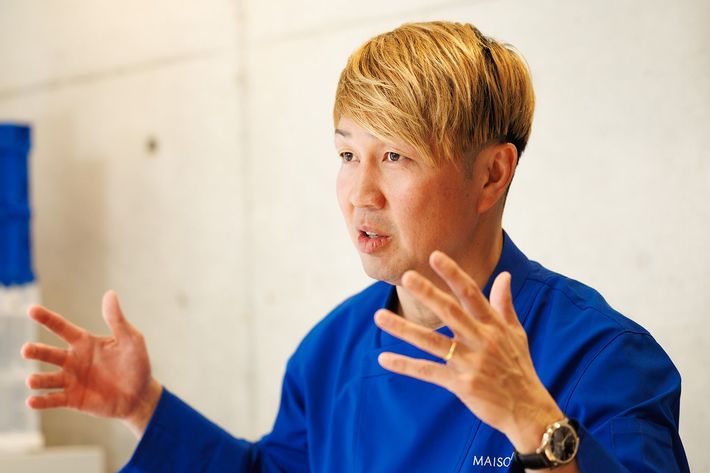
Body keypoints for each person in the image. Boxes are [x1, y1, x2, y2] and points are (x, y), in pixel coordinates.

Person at [21, 21, 690, 472]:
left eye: (395, 155)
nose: (360, 193)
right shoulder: (329, 354)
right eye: (347, 154)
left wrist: (533, 421)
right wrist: (142, 407)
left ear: (491, 175)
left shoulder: (604, 356)